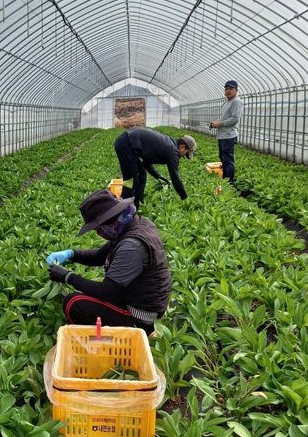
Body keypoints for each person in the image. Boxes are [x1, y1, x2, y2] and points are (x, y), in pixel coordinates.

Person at [45, 190, 172, 335]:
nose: (98, 232)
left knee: (73, 303)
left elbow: (106, 291)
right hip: (140, 298)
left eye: (98, 227)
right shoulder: (135, 224)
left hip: (139, 313)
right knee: (86, 290)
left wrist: (67, 276)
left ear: (110, 220)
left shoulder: (131, 247)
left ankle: (138, 331)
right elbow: (99, 256)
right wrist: (71, 254)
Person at [113, 127, 196, 207]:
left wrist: (157, 176)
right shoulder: (172, 151)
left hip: (127, 143)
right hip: (126, 144)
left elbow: (146, 162)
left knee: (142, 175)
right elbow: (175, 176)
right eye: (186, 153)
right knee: (131, 181)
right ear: (182, 147)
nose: (184, 156)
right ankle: (125, 209)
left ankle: (138, 203)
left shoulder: (169, 146)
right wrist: (184, 197)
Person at [209, 80, 243, 184]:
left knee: (228, 161)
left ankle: (230, 183)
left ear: (236, 90)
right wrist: (216, 123)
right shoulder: (227, 102)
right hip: (223, 136)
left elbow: (234, 119)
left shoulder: (237, 102)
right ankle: (225, 181)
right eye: (226, 89)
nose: (228, 91)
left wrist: (219, 124)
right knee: (224, 160)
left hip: (228, 136)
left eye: (231, 89)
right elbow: (226, 119)